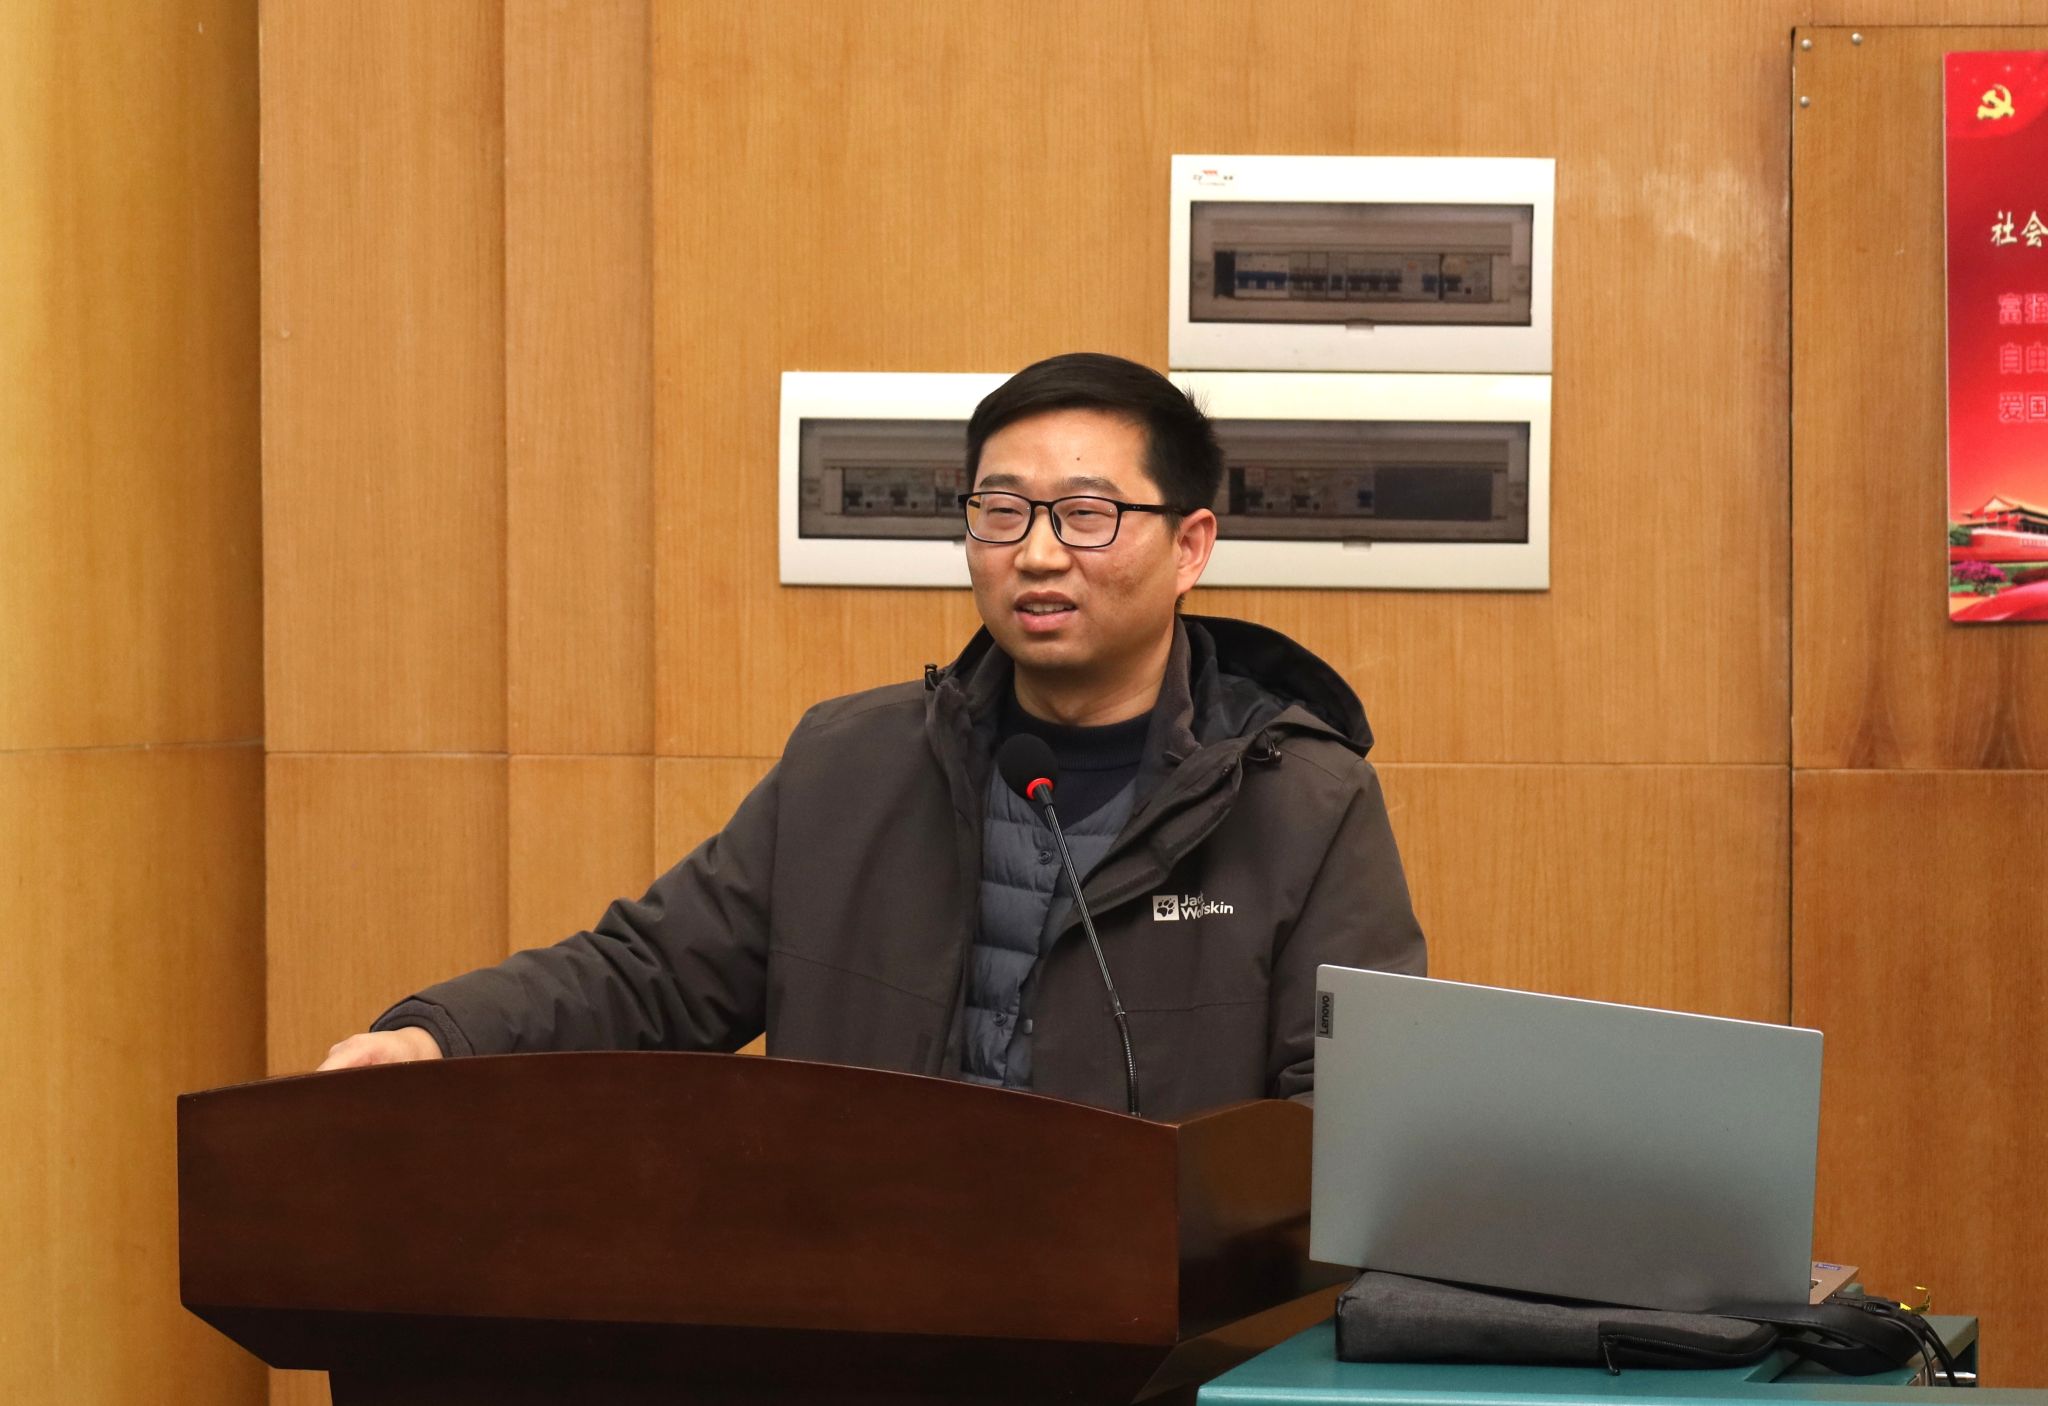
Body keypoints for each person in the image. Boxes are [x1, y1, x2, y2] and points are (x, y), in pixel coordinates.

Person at [318, 352, 1425, 1121]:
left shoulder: (1300, 797)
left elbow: (1345, 1109)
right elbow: (654, 973)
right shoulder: (852, 763)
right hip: (870, 1310)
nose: (1038, 554)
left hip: (1163, 1336)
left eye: (1087, 515)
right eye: (1001, 512)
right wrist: (440, 1037)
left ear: (1189, 546)